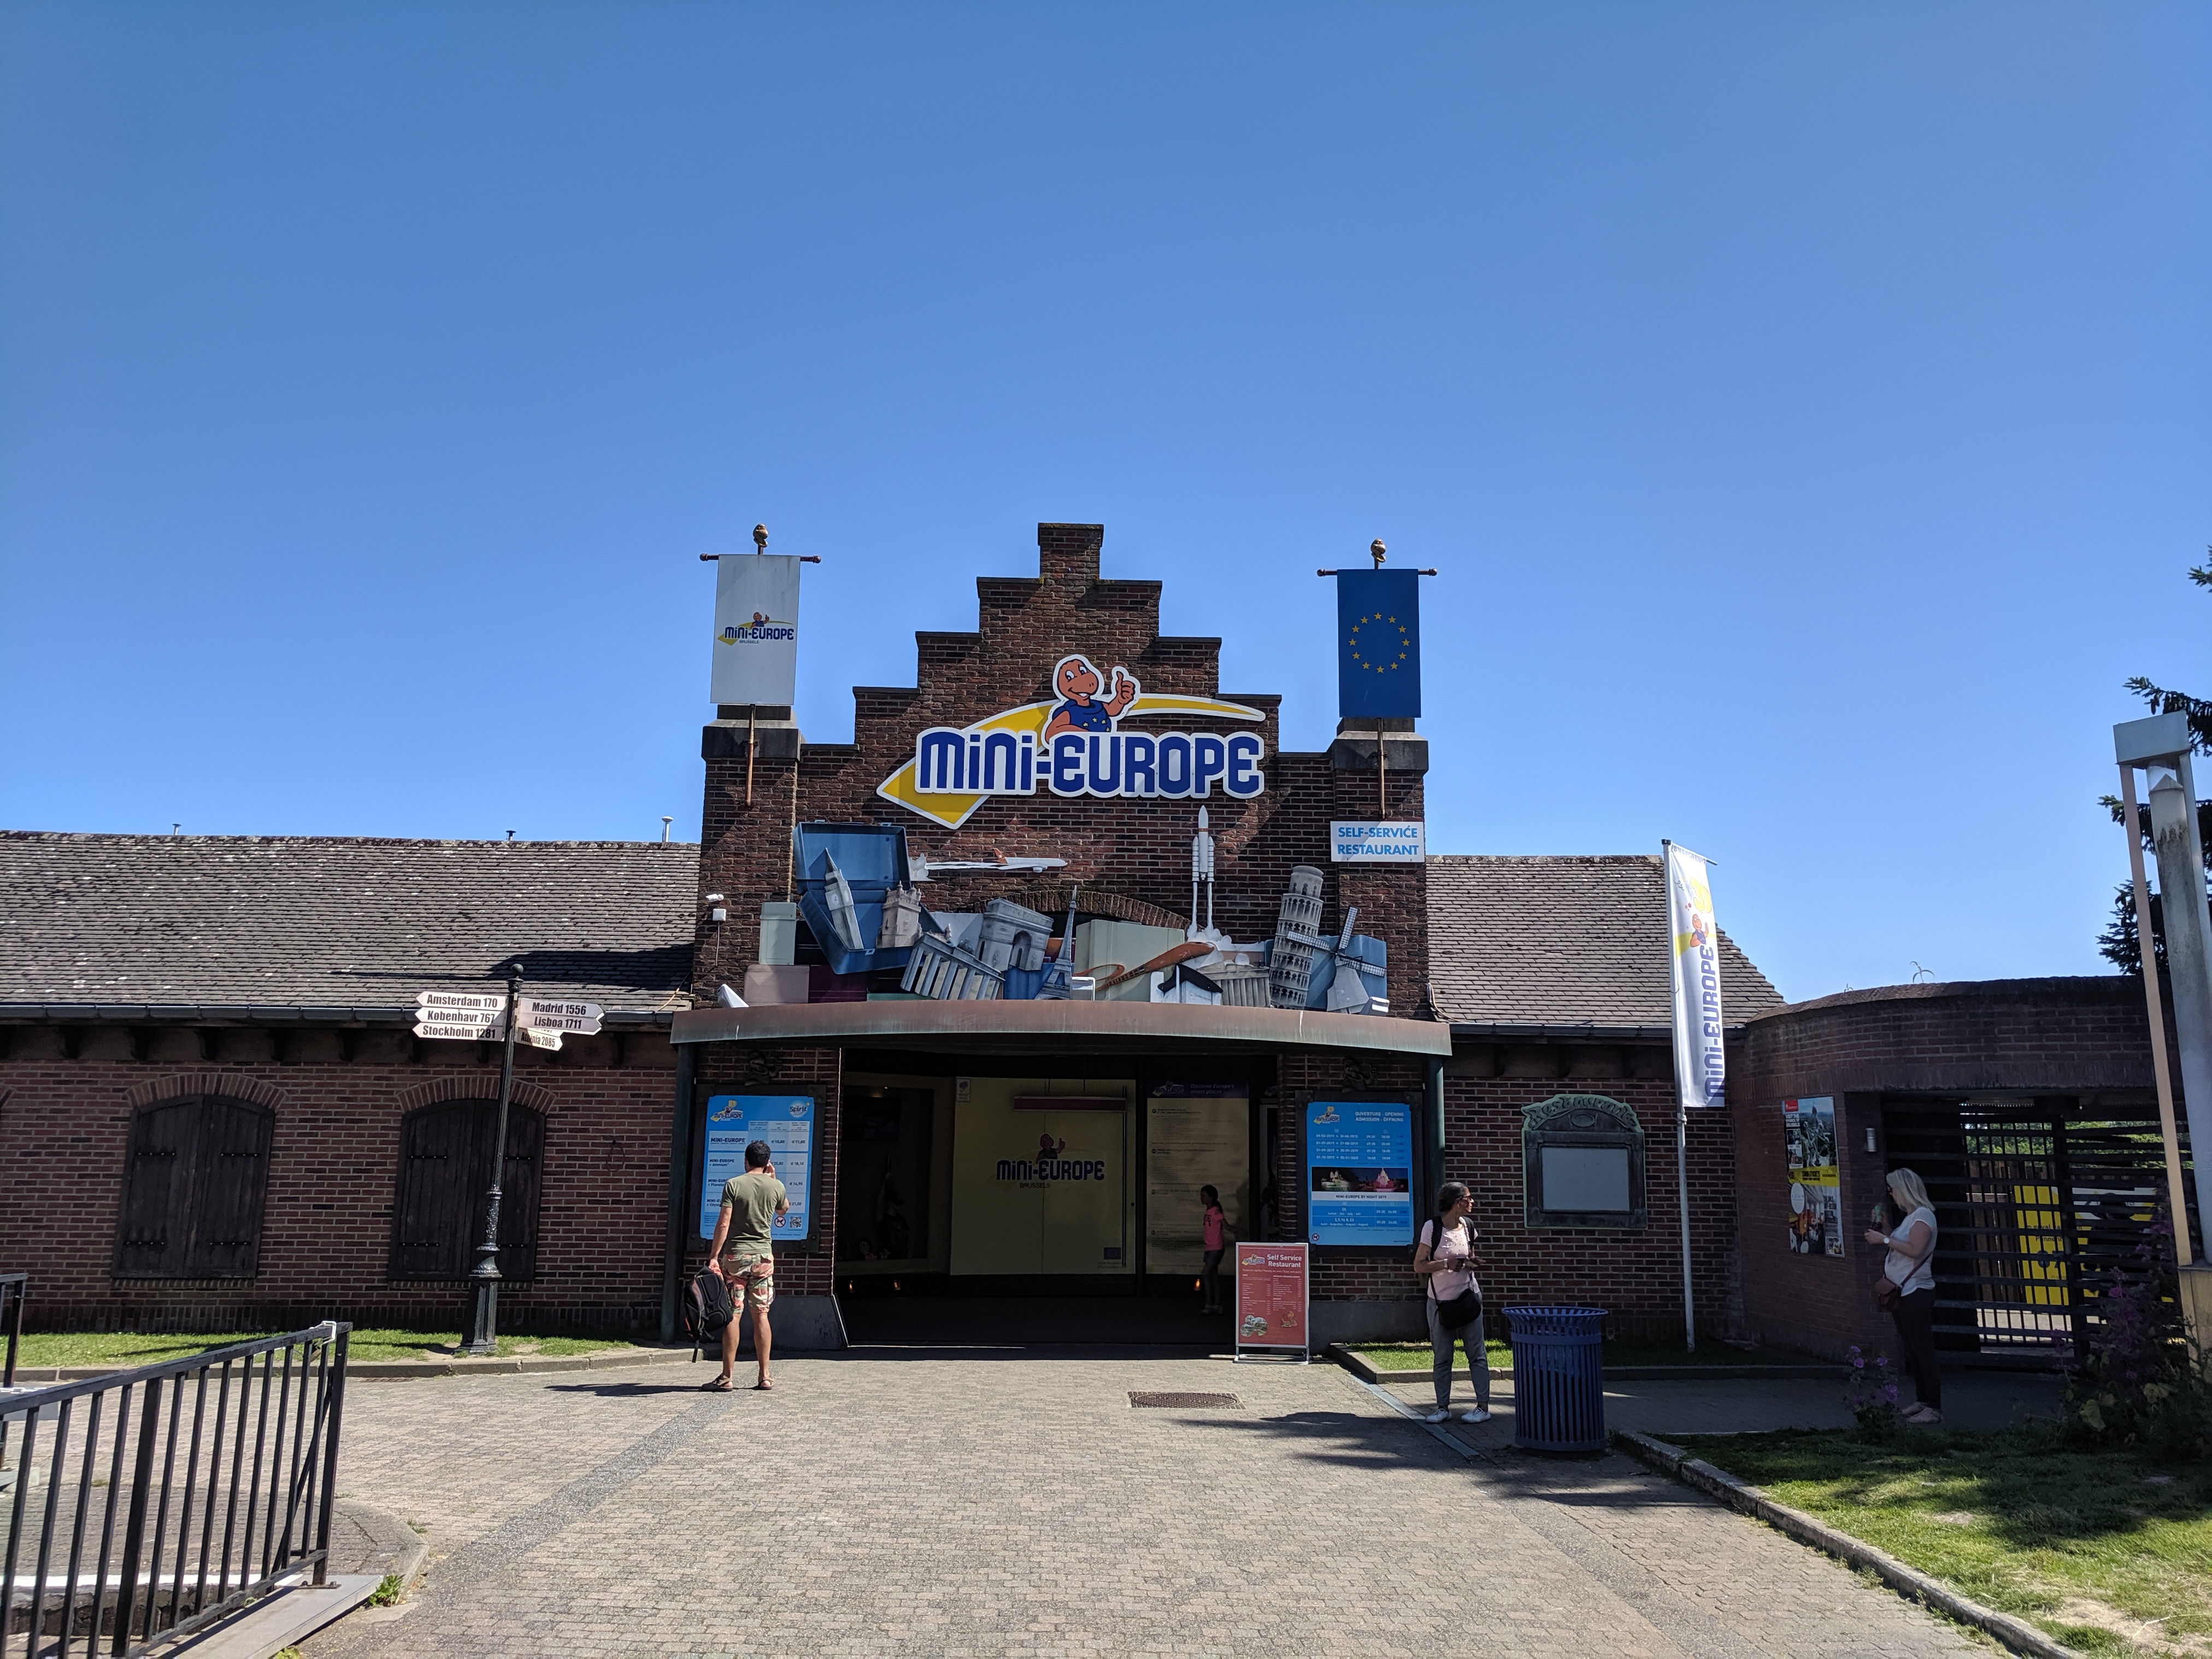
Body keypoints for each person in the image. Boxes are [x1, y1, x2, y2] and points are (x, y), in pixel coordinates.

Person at [703, 1139, 788, 1393]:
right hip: (763, 1259)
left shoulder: (734, 1184)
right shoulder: (776, 1186)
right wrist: (773, 1179)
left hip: (736, 1258)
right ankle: (765, 1377)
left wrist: (714, 1256)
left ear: (746, 1160)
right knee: (761, 1315)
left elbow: (724, 1223)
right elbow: (783, 1210)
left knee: (734, 1314)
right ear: (767, 1163)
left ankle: (727, 1377)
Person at [1864, 1167, 1941, 1424]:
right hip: (1902, 1292)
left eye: (1893, 1189)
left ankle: (1934, 1407)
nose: (1892, 1194)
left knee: (1923, 1350)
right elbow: (1900, 1245)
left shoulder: (1923, 1216)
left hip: (1916, 1291)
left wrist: (1884, 1241)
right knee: (1912, 1349)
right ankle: (1922, 1400)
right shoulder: (1910, 1218)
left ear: (1904, 1189)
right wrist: (1885, 1230)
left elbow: (1916, 1250)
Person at [1413, 1181, 1491, 1426]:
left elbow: (1469, 1255)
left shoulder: (1468, 1226)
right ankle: (1442, 1408)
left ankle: (1483, 1407)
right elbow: (1419, 1266)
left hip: (1469, 1298)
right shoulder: (1433, 1228)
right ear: (1457, 1203)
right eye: (1468, 1198)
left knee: (1477, 1354)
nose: (1472, 1202)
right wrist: (1446, 1264)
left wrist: (1472, 1261)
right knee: (1443, 1357)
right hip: (1441, 1303)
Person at [1199, 1185, 1231, 1313]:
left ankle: (1209, 1304)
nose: (1201, 1198)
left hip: (1216, 1247)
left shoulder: (1215, 1211)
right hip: (1210, 1247)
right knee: (1214, 1276)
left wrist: (1241, 1232)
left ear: (1211, 1197)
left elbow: (1227, 1226)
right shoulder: (1209, 1211)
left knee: (1205, 1274)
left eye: (1204, 1196)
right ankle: (1216, 1305)